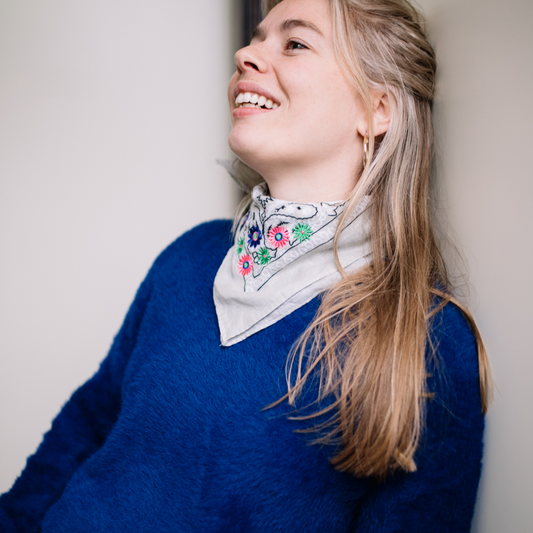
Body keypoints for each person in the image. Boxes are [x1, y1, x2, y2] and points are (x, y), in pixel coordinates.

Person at [0, 0, 492, 531]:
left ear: (377, 110)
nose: (245, 54)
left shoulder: (428, 337)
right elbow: (88, 423)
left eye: (295, 42)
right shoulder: (191, 255)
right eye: (256, 38)